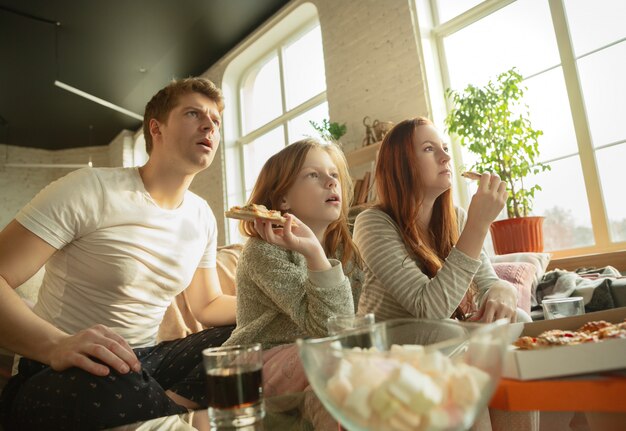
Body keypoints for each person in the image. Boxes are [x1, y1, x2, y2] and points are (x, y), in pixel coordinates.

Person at [0, 77, 237, 430]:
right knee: (106, 384)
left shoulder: (201, 214)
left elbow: (207, 303)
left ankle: (156, 407)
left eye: (216, 121)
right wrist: (55, 346)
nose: (209, 126)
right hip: (60, 366)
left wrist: (278, 304)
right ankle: (169, 412)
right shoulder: (88, 188)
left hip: (145, 360)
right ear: (156, 128)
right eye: (193, 113)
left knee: (243, 336)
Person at [354, 117, 531, 323]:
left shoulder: (457, 217)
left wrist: (504, 289)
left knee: (519, 318)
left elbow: (487, 283)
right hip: (393, 346)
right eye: (429, 149)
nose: (446, 156)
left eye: (445, 148)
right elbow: (429, 310)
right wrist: (478, 226)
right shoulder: (372, 223)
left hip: (444, 335)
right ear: (400, 165)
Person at [224, 139, 362, 350]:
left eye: (334, 174)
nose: (332, 182)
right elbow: (333, 329)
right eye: (313, 175)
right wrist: (315, 255)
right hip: (258, 358)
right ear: (282, 200)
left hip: (318, 355)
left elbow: (357, 323)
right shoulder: (263, 250)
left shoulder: (346, 248)